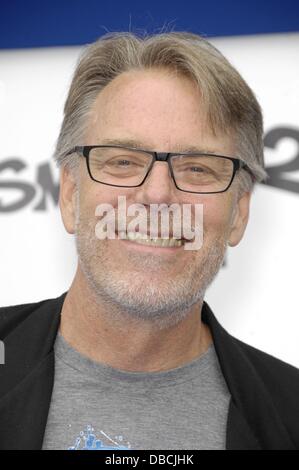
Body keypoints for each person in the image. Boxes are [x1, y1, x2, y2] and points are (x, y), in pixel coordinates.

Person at [0, 30, 298, 451]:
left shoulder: (290, 413)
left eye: (198, 168)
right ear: (69, 194)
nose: (157, 195)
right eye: (122, 161)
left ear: (239, 213)